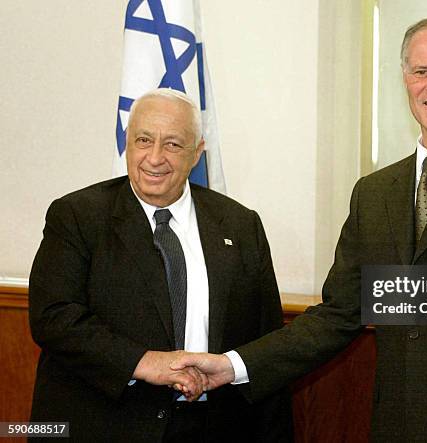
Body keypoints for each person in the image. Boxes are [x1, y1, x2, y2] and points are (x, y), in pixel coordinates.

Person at [172, 16, 427, 442]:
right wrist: (231, 366)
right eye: (421, 71)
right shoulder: (373, 193)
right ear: (405, 79)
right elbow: (338, 315)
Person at [28, 88, 292, 442]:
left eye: (172, 144)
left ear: (197, 152)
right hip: (107, 424)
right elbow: (54, 318)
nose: (154, 158)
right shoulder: (78, 216)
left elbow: (266, 342)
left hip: (214, 426)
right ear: (127, 141)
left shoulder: (240, 225)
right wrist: (145, 362)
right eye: (143, 140)